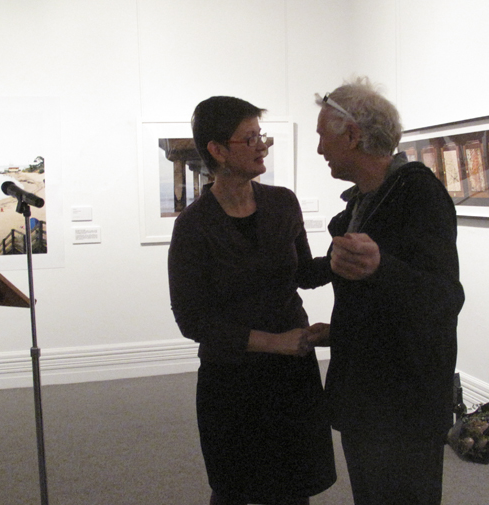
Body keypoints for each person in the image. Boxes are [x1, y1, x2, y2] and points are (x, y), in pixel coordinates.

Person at [167, 96, 336, 505]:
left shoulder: (282, 203)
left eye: (262, 136)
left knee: (293, 486)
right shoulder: (194, 226)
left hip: (291, 371)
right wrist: (272, 341)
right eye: (250, 138)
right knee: (234, 487)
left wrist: (340, 260)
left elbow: (301, 273)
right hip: (232, 377)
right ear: (217, 150)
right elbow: (192, 320)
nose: (263, 145)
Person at [308, 77, 464, 505]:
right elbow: (372, 304)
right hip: (370, 395)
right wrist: (336, 332)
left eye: (323, 136)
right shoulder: (364, 202)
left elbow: (446, 299)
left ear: (353, 135)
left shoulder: (417, 194)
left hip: (404, 401)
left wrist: (382, 267)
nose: (319, 149)